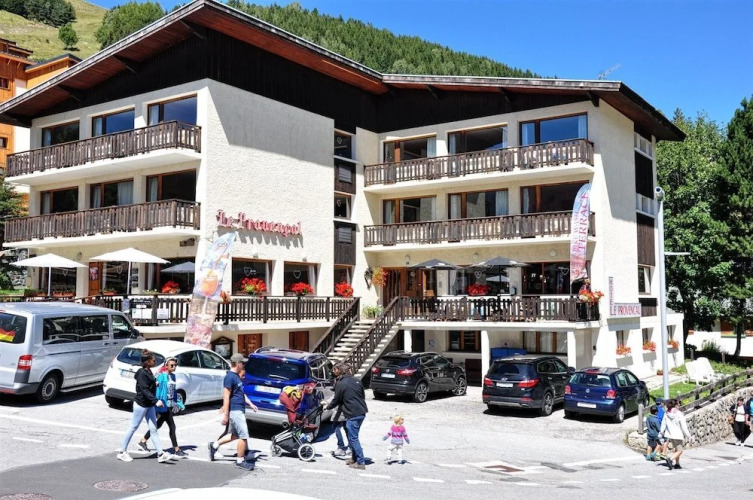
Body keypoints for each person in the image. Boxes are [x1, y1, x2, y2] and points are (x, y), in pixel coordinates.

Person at [117, 351, 174, 463]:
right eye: (153, 360)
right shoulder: (142, 373)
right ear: (148, 362)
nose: (155, 361)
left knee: (153, 429)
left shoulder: (148, 371)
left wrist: (155, 384)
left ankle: (160, 454)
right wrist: (156, 401)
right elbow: (144, 390)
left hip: (149, 405)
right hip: (141, 404)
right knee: (133, 427)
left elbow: (147, 385)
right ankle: (122, 452)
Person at [208, 353, 258, 470]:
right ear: (238, 364)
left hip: (239, 409)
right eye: (242, 363)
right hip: (235, 410)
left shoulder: (236, 377)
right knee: (243, 435)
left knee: (235, 435)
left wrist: (251, 404)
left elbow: (240, 393)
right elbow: (226, 396)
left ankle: (214, 446)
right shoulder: (230, 377)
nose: (244, 365)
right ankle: (240, 461)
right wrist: (226, 414)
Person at [138, 357, 186, 457]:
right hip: (163, 405)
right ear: (166, 366)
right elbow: (158, 391)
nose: (174, 367)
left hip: (169, 405)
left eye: (175, 365)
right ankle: (176, 449)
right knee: (172, 426)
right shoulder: (162, 376)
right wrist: (157, 402)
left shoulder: (173, 376)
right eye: (172, 365)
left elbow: (174, 391)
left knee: (158, 425)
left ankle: (143, 441)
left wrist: (179, 403)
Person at [324, 362, 368, 470]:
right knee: (352, 436)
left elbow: (336, 400)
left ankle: (360, 462)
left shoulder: (341, 383)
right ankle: (354, 458)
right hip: (361, 411)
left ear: (340, 371)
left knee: (353, 438)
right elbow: (362, 396)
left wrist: (328, 407)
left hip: (353, 414)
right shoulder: (357, 381)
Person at [660, 399, 691, 470]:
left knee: (677, 449)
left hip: (670, 435)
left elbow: (663, 423)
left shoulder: (667, 413)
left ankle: (677, 464)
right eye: (678, 404)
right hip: (677, 435)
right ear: (675, 405)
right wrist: (688, 435)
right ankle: (670, 459)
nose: (679, 405)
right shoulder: (679, 413)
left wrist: (661, 432)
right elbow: (684, 426)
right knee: (680, 450)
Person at [328, 363, 350, 457]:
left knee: (336, 425)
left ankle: (341, 447)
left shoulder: (340, 381)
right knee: (346, 427)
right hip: (344, 407)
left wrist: (328, 404)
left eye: (335, 369)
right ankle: (350, 447)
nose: (333, 371)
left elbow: (337, 396)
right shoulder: (339, 380)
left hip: (341, 407)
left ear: (340, 370)